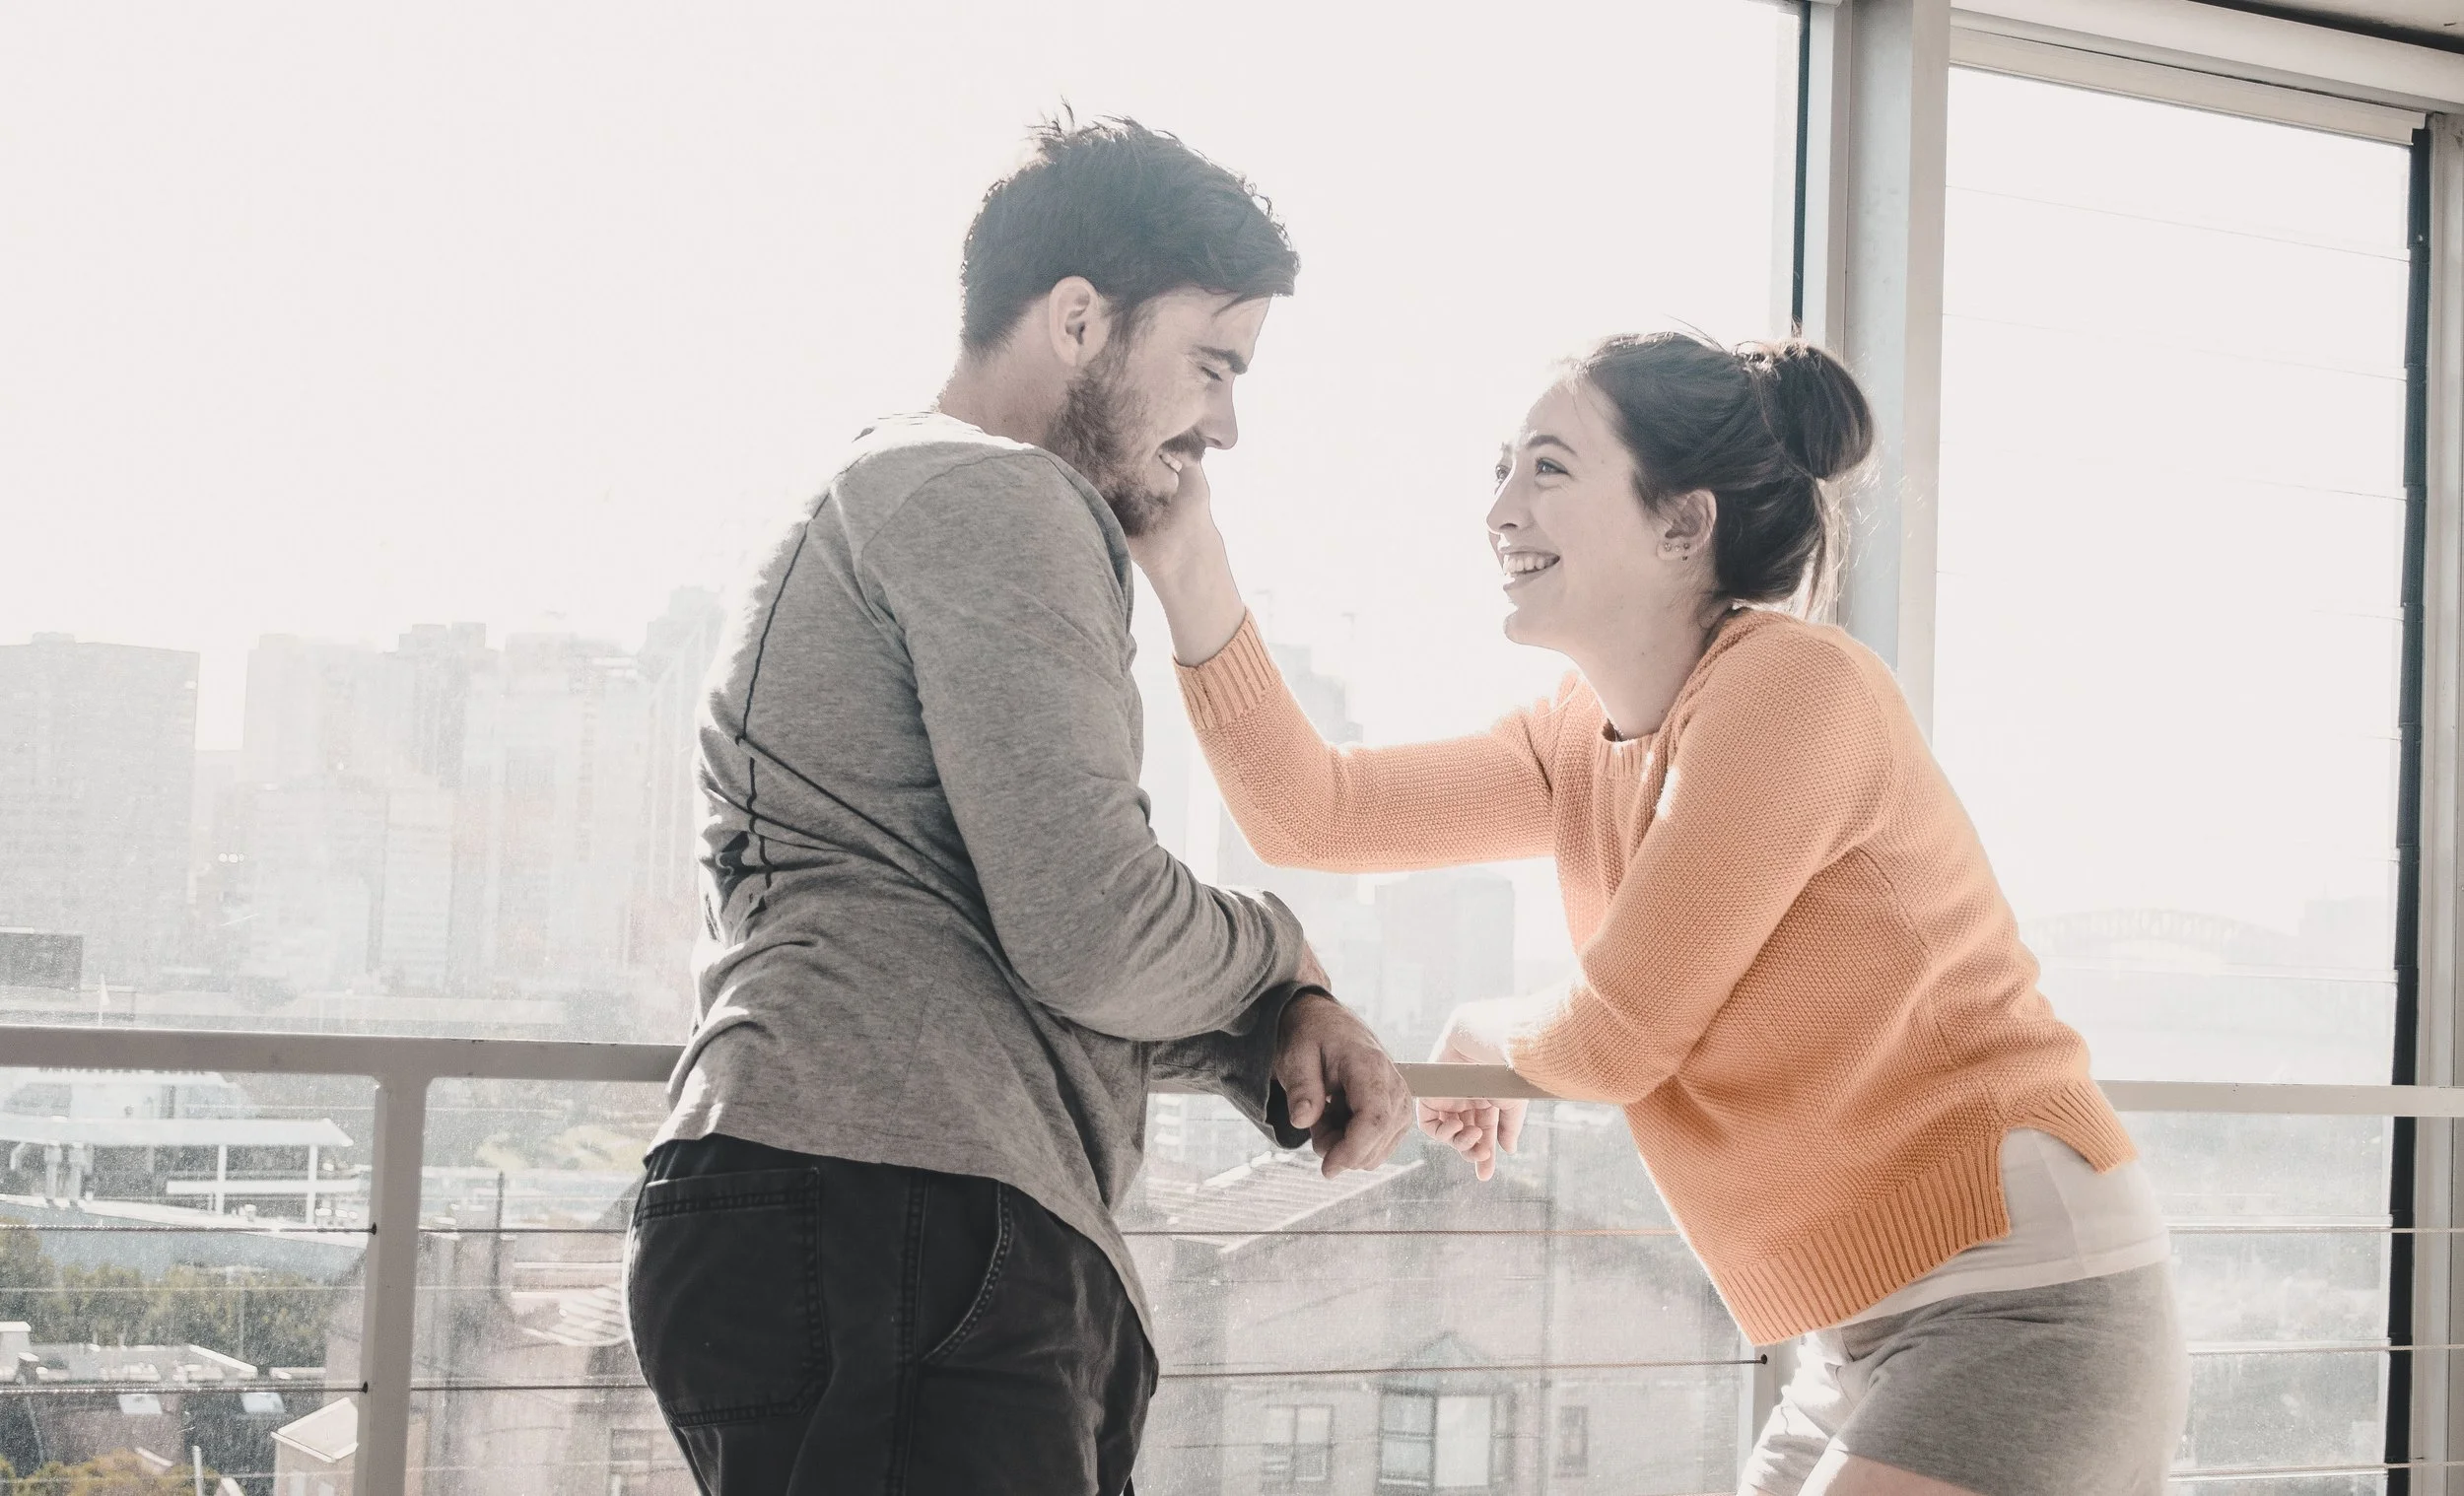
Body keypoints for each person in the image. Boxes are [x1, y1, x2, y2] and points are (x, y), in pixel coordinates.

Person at [1128, 330, 2190, 1496]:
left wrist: (1489, 1027)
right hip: (1847, 1342)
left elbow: (1623, 1030)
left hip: (2020, 1296)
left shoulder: (1794, 689)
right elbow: (1313, 813)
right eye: (1501, 467)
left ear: (1683, 525)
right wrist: (1189, 566)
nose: (1498, 508)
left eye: (1547, 468)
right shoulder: (1575, 738)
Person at [624, 116, 1412, 1496]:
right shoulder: (999, 496)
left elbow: (985, 945)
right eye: (1213, 364)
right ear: (1078, 319)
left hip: (844, 1204)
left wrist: (1258, 1034)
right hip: (905, 1223)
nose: (1226, 422)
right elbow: (1094, 930)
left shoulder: (888, 488)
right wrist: (1283, 955)